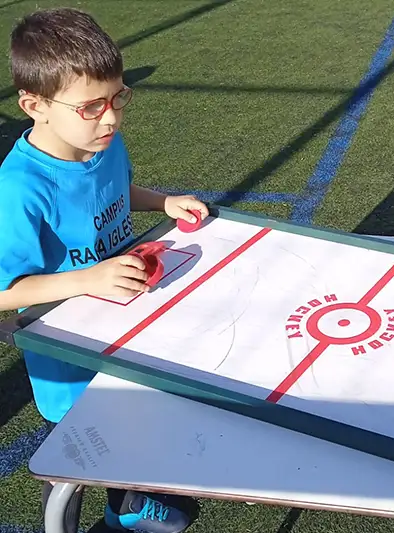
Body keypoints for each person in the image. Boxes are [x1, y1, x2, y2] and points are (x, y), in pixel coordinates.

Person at [0, 7, 209, 533]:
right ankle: (121, 516)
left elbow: (113, 194)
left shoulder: (102, 143)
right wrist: (86, 280)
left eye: (118, 98)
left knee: (140, 428)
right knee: (92, 449)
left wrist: (161, 203)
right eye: (92, 106)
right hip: (69, 358)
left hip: (126, 328)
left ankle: (130, 501)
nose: (112, 117)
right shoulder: (20, 189)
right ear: (34, 106)